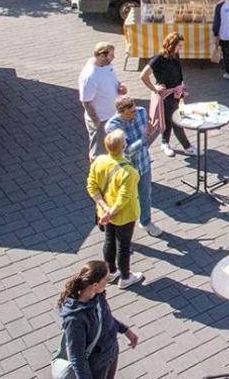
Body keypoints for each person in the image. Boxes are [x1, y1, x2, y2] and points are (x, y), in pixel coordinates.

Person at [56, 260, 139, 379]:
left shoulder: (98, 296)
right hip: (96, 363)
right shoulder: (75, 319)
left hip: (110, 352)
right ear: (95, 285)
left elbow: (106, 318)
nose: (109, 280)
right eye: (106, 278)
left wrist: (125, 330)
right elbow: (77, 356)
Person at [87, 131, 143, 290]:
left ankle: (110, 271)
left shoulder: (99, 161)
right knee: (123, 246)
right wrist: (111, 212)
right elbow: (124, 198)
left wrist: (105, 210)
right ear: (123, 146)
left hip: (104, 213)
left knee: (109, 240)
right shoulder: (129, 173)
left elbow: (92, 186)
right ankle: (125, 277)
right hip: (124, 216)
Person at [104, 96, 161, 237]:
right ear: (121, 112)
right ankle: (119, 230)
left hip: (143, 163)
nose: (135, 114)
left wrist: (148, 132)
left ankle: (146, 222)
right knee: (124, 200)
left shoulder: (141, 111)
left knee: (145, 195)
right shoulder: (113, 126)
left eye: (135, 110)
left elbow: (147, 128)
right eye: (131, 112)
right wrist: (146, 136)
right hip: (125, 170)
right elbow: (127, 150)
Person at [141, 33, 194, 157]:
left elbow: (178, 72)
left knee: (168, 120)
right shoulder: (158, 58)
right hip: (166, 95)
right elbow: (143, 76)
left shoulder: (175, 55)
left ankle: (165, 143)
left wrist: (181, 86)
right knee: (176, 120)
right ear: (171, 45)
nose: (180, 49)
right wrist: (154, 89)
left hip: (176, 92)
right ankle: (187, 147)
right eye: (179, 46)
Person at [79, 42, 127, 161]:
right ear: (101, 56)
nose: (114, 57)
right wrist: (96, 121)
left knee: (114, 146)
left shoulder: (107, 66)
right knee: (98, 153)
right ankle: (98, 177)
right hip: (101, 119)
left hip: (113, 115)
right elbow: (86, 101)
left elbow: (112, 81)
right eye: (111, 55)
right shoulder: (90, 76)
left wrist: (120, 87)